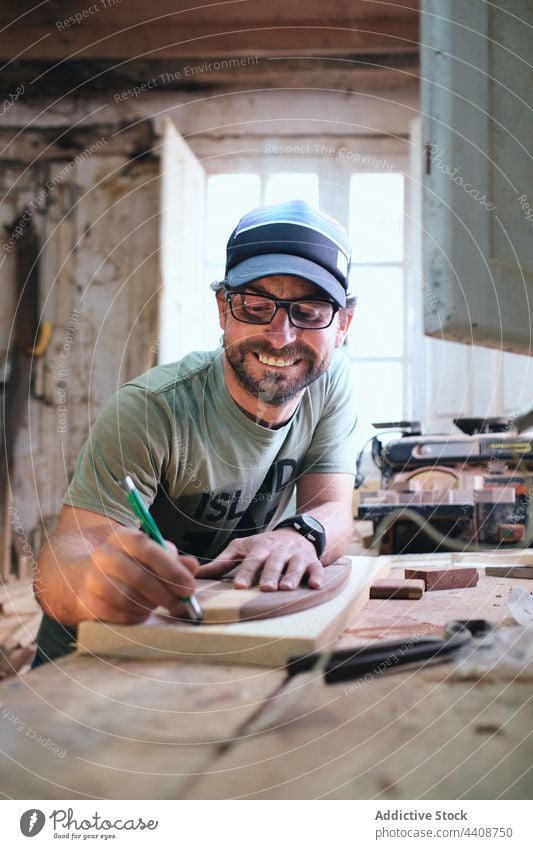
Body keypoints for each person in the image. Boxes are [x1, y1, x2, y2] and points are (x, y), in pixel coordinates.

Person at [33, 199, 358, 663]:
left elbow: (332, 506)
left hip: (215, 642)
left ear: (343, 324)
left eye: (308, 312)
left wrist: (300, 534)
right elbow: (64, 554)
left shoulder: (330, 382)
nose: (281, 336)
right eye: (255, 306)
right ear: (224, 309)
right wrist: (91, 584)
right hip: (98, 656)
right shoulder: (150, 410)